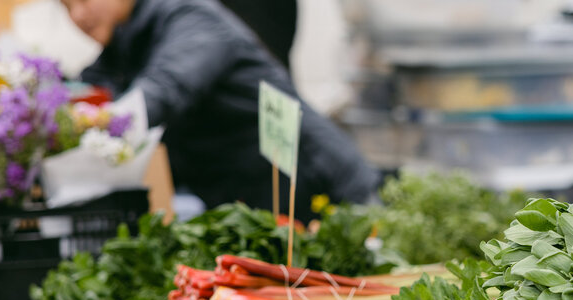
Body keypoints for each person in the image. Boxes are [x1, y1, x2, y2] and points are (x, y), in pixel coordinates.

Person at [61, 0, 379, 218]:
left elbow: (165, 89)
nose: (77, 15)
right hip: (257, 205)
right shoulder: (123, 46)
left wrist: (101, 123)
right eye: (65, 6)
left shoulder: (190, 17)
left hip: (324, 192)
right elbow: (83, 92)